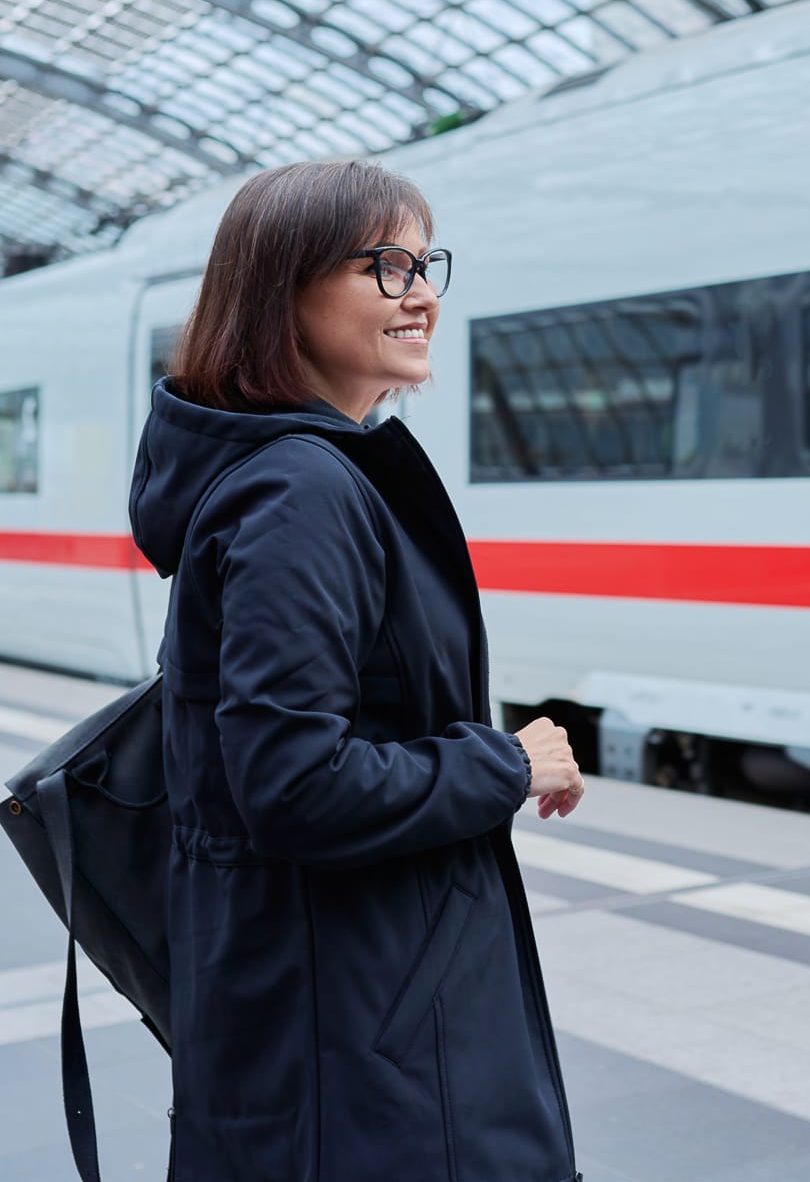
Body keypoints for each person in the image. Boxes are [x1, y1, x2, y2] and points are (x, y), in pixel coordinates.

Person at [128, 159, 583, 1181]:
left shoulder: (300, 473)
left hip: (333, 1006)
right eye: (385, 264)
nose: (421, 292)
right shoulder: (301, 490)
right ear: (279, 289)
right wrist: (503, 766)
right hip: (360, 1034)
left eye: (425, 264)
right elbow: (295, 784)